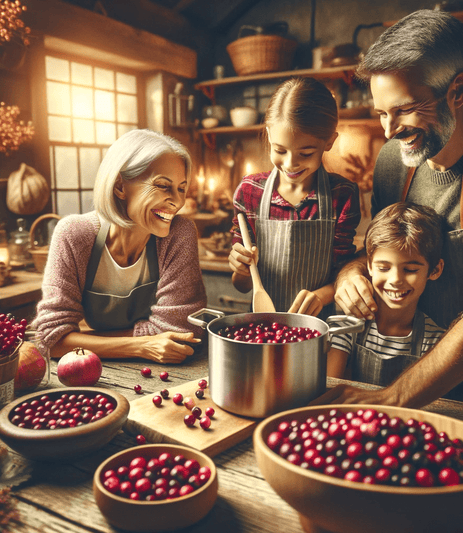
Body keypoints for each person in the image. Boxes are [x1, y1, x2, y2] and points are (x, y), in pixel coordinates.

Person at [318, 10, 463, 413]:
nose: (389, 130)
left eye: (405, 109)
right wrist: (351, 272)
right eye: (382, 112)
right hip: (412, 392)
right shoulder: (391, 164)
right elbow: (379, 246)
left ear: (458, 91)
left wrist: (392, 397)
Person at [33, 129, 207, 363]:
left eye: (181, 188)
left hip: (160, 373)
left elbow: (180, 332)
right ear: (120, 187)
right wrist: (141, 345)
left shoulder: (179, 235)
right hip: (91, 372)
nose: (177, 201)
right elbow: (51, 341)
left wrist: (81, 339)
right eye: (163, 186)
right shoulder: (73, 235)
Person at [228, 77, 361, 317]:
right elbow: (242, 285)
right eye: (280, 150)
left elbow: (343, 273)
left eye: (306, 152)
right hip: (263, 325)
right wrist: (241, 269)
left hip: (320, 327)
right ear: (269, 135)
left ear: (329, 141)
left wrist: (321, 296)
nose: (290, 164)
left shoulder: (342, 195)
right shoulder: (249, 192)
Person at [327, 202, 445, 384]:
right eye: (383, 268)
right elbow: (330, 385)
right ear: (369, 266)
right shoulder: (347, 324)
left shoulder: (436, 341)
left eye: (411, 270)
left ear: (435, 270)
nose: (395, 280)